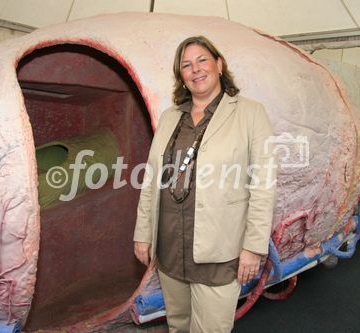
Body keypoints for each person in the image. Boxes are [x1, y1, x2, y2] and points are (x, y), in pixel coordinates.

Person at [133, 36, 277, 333]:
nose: (195, 69)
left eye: (202, 60)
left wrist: (253, 247)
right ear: (181, 77)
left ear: (219, 64)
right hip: (171, 247)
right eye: (186, 65)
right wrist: (143, 234)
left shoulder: (250, 113)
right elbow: (151, 181)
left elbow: (264, 186)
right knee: (179, 325)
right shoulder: (171, 117)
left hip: (219, 251)